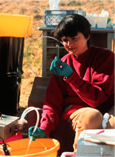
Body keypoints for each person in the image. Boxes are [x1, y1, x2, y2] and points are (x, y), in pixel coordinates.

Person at [28, 14, 115, 150]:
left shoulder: (106, 58)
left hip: (106, 107)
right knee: (92, 117)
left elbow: (98, 98)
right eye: (65, 40)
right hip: (79, 109)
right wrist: (44, 127)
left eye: (74, 39)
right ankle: (79, 153)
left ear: (87, 36)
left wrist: (71, 77)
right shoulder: (63, 64)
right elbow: (52, 102)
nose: (69, 45)